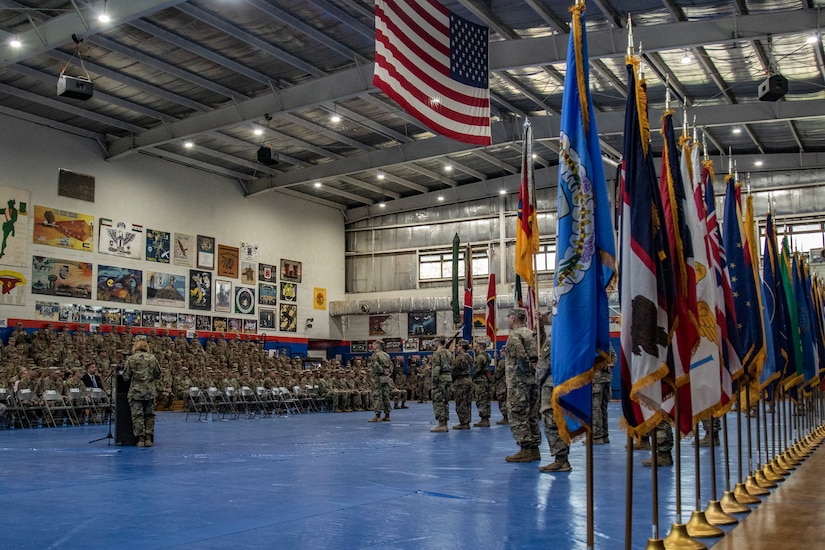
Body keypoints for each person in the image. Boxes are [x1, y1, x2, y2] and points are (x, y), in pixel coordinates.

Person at [503, 308, 541, 462]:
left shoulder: (515, 336)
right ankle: (534, 449)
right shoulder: (532, 333)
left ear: (513, 319)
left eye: (508, 318)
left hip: (519, 382)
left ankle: (525, 448)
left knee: (518, 414)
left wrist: (525, 371)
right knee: (532, 415)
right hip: (533, 381)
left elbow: (521, 357)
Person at [537, 314, 570, 472]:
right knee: (560, 420)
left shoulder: (554, 337)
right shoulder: (569, 334)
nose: (546, 316)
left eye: (548, 314)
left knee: (551, 420)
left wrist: (537, 380)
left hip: (551, 384)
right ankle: (562, 458)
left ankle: (561, 459)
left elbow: (544, 365)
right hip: (565, 383)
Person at [121, 336, 161, 448]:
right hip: (149, 391)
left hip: (136, 392)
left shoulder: (131, 359)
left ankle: (140, 439)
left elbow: (126, 377)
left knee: (137, 416)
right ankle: (149, 438)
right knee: (149, 415)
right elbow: (158, 374)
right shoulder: (152, 358)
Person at [590, 347, 614, 445]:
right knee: (603, 408)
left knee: (596, 409)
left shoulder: (592, 341)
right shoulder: (606, 341)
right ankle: (605, 435)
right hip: (606, 379)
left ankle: (597, 436)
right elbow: (614, 357)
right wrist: (608, 365)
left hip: (597, 380)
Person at [429, 336, 453, 432]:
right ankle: (445, 423)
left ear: (438, 342)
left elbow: (436, 369)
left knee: (438, 401)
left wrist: (434, 382)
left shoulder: (437, 353)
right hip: (448, 378)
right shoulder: (448, 353)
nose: (434, 344)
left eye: (434, 342)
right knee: (445, 401)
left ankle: (441, 424)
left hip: (440, 380)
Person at [367, 340, 392, 422]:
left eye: (374, 344)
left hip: (377, 378)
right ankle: (387, 415)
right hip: (385, 378)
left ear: (377, 345)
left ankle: (377, 416)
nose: (372, 346)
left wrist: (382, 371)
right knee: (386, 396)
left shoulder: (375, 355)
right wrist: (387, 372)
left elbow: (375, 366)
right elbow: (391, 365)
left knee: (376, 396)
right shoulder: (386, 355)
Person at [451, 339, 473, 430]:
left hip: (460, 382)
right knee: (467, 402)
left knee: (460, 403)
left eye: (458, 346)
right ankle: (467, 421)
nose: (457, 348)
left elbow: (454, 370)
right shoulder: (469, 357)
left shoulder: (459, 358)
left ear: (461, 347)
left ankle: (463, 422)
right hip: (468, 379)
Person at [472, 341, 492, 427]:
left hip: (480, 381)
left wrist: (473, 376)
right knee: (486, 400)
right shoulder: (487, 356)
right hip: (486, 380)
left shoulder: (480, 357)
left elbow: (476, 370)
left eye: (476, 347)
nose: (475, 349)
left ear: (479, 347)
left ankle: (484, 419)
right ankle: (486, 418)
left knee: (481, 400)